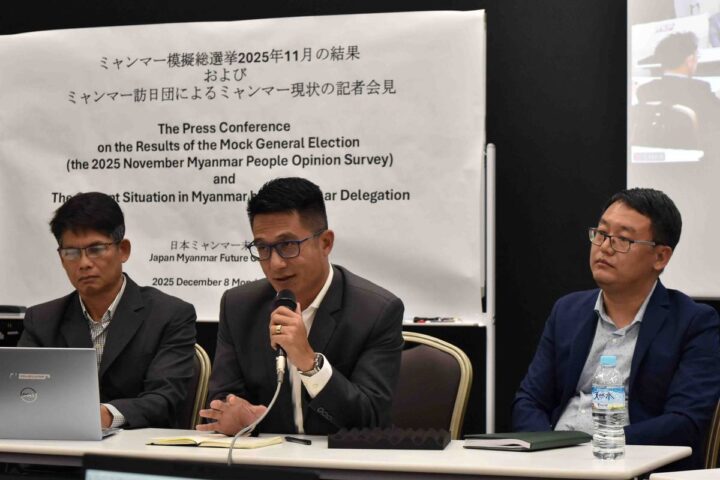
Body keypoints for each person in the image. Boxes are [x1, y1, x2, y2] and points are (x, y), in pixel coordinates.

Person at [512, 188, 720, 469]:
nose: (605, 247)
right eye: (601, 233)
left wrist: (600, 446)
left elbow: (685, 421)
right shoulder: (567, 312)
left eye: (623, 239)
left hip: (633, 465)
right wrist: (549, 449)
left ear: (660, 257)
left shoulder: (693, 323)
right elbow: (529, 401)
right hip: (554, 463)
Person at [198, 177, 404, 435]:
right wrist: (242, 418)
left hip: (338, 458)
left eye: (288, 245)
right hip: (263, 456)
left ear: (325, 243)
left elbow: (369, 420)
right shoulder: (238, 306)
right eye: (262, 247)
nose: (275, 263)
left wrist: (309, 362)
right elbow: (222, 402)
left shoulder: (375, 312)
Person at [18, 192, 197, 429]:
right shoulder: (41, 320)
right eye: (71, 253)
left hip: (136, 447)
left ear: (123, 250)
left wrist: (105, 416)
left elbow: (163, 399)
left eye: (96, 249)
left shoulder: (169, 315)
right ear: (61, 259)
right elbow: (22, 394)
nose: (84, 263)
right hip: (58, 445)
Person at [636, 31, 720, 149]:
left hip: (659, 151)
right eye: (697, 57)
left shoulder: (644, 90)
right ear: (690, 60)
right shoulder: (701, 89)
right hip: (694, 154)